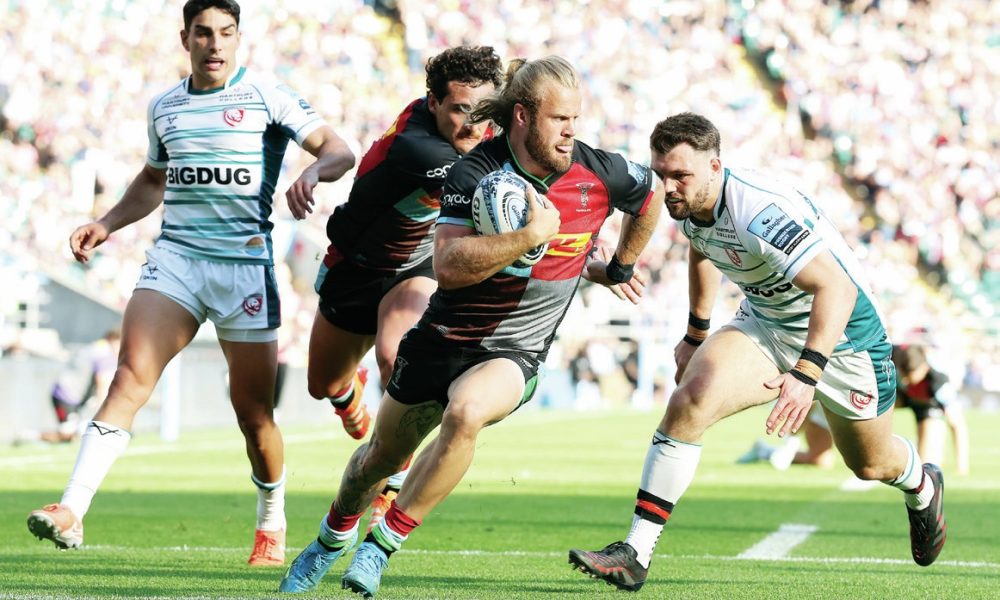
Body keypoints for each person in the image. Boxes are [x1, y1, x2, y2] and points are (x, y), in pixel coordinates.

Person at [279, 55, 664, 596]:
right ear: (523, 116)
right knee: (377, 459)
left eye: (576, 118)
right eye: (560, 119)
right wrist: (528, 237)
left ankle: (380, 545)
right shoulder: (474, 171)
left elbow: (650, 196)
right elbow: (449, 266)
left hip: (515, 351)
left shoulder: (597, 171)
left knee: (466, 413)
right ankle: (331, 537)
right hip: (443, 338)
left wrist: (621, 264)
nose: (571, 131)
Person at [26, 0, 355, 568]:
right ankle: (73, 508)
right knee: (129, 376)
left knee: (253, 415)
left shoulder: (267, 96)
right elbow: (153, 180)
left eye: (226, 32)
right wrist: (106, 223)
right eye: (203, 33)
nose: (215, 44)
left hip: (243, 268)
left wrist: (312, 171)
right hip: (175, 261)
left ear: (238, 37)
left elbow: (339, 150)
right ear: (186, 40)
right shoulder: (166, 106)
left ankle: (271, 520)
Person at [568, 112, 947, 592]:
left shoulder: (758, 210)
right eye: (660, 174)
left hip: (843, 337)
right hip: (767, 321)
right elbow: (703, 246)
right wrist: (696, 333)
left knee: (870, 464)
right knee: (690, 401)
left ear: (715, 167)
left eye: (680, 175)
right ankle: (635, 552)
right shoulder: (694, 203)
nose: (667, 188)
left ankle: (921, 484)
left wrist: (806, 374)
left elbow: (837, 288)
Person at [301, 46, 504, 523]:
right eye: (460, 111)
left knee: (396, 357)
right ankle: (348, 395)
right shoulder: (418, 148)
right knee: (321, 384)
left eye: (482, 113)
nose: (473, 126)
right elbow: (490, 177)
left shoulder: (474, 132)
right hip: (356, 268)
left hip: (415, 267)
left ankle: (391, 481)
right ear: (433, 103)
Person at [39, 330, 122, 444]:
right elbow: (102, 383)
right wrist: (102, 413)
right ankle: (30, 436)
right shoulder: (104, 354)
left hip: (70, 394)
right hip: (66, 396)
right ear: (113, 340)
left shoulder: (96, 348)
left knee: (73, 433)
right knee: (67, 434)